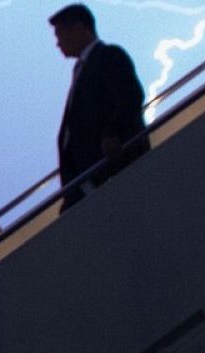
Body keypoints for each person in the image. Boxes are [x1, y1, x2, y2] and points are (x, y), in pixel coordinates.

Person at [51, 3, 149, 210]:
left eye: (60, 34)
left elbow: (130, 96)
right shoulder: (80, 70)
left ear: (79, 29)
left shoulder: (108, 56)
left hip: (111, 170)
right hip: (87, 181)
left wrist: (113, 133)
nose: (58, 43)